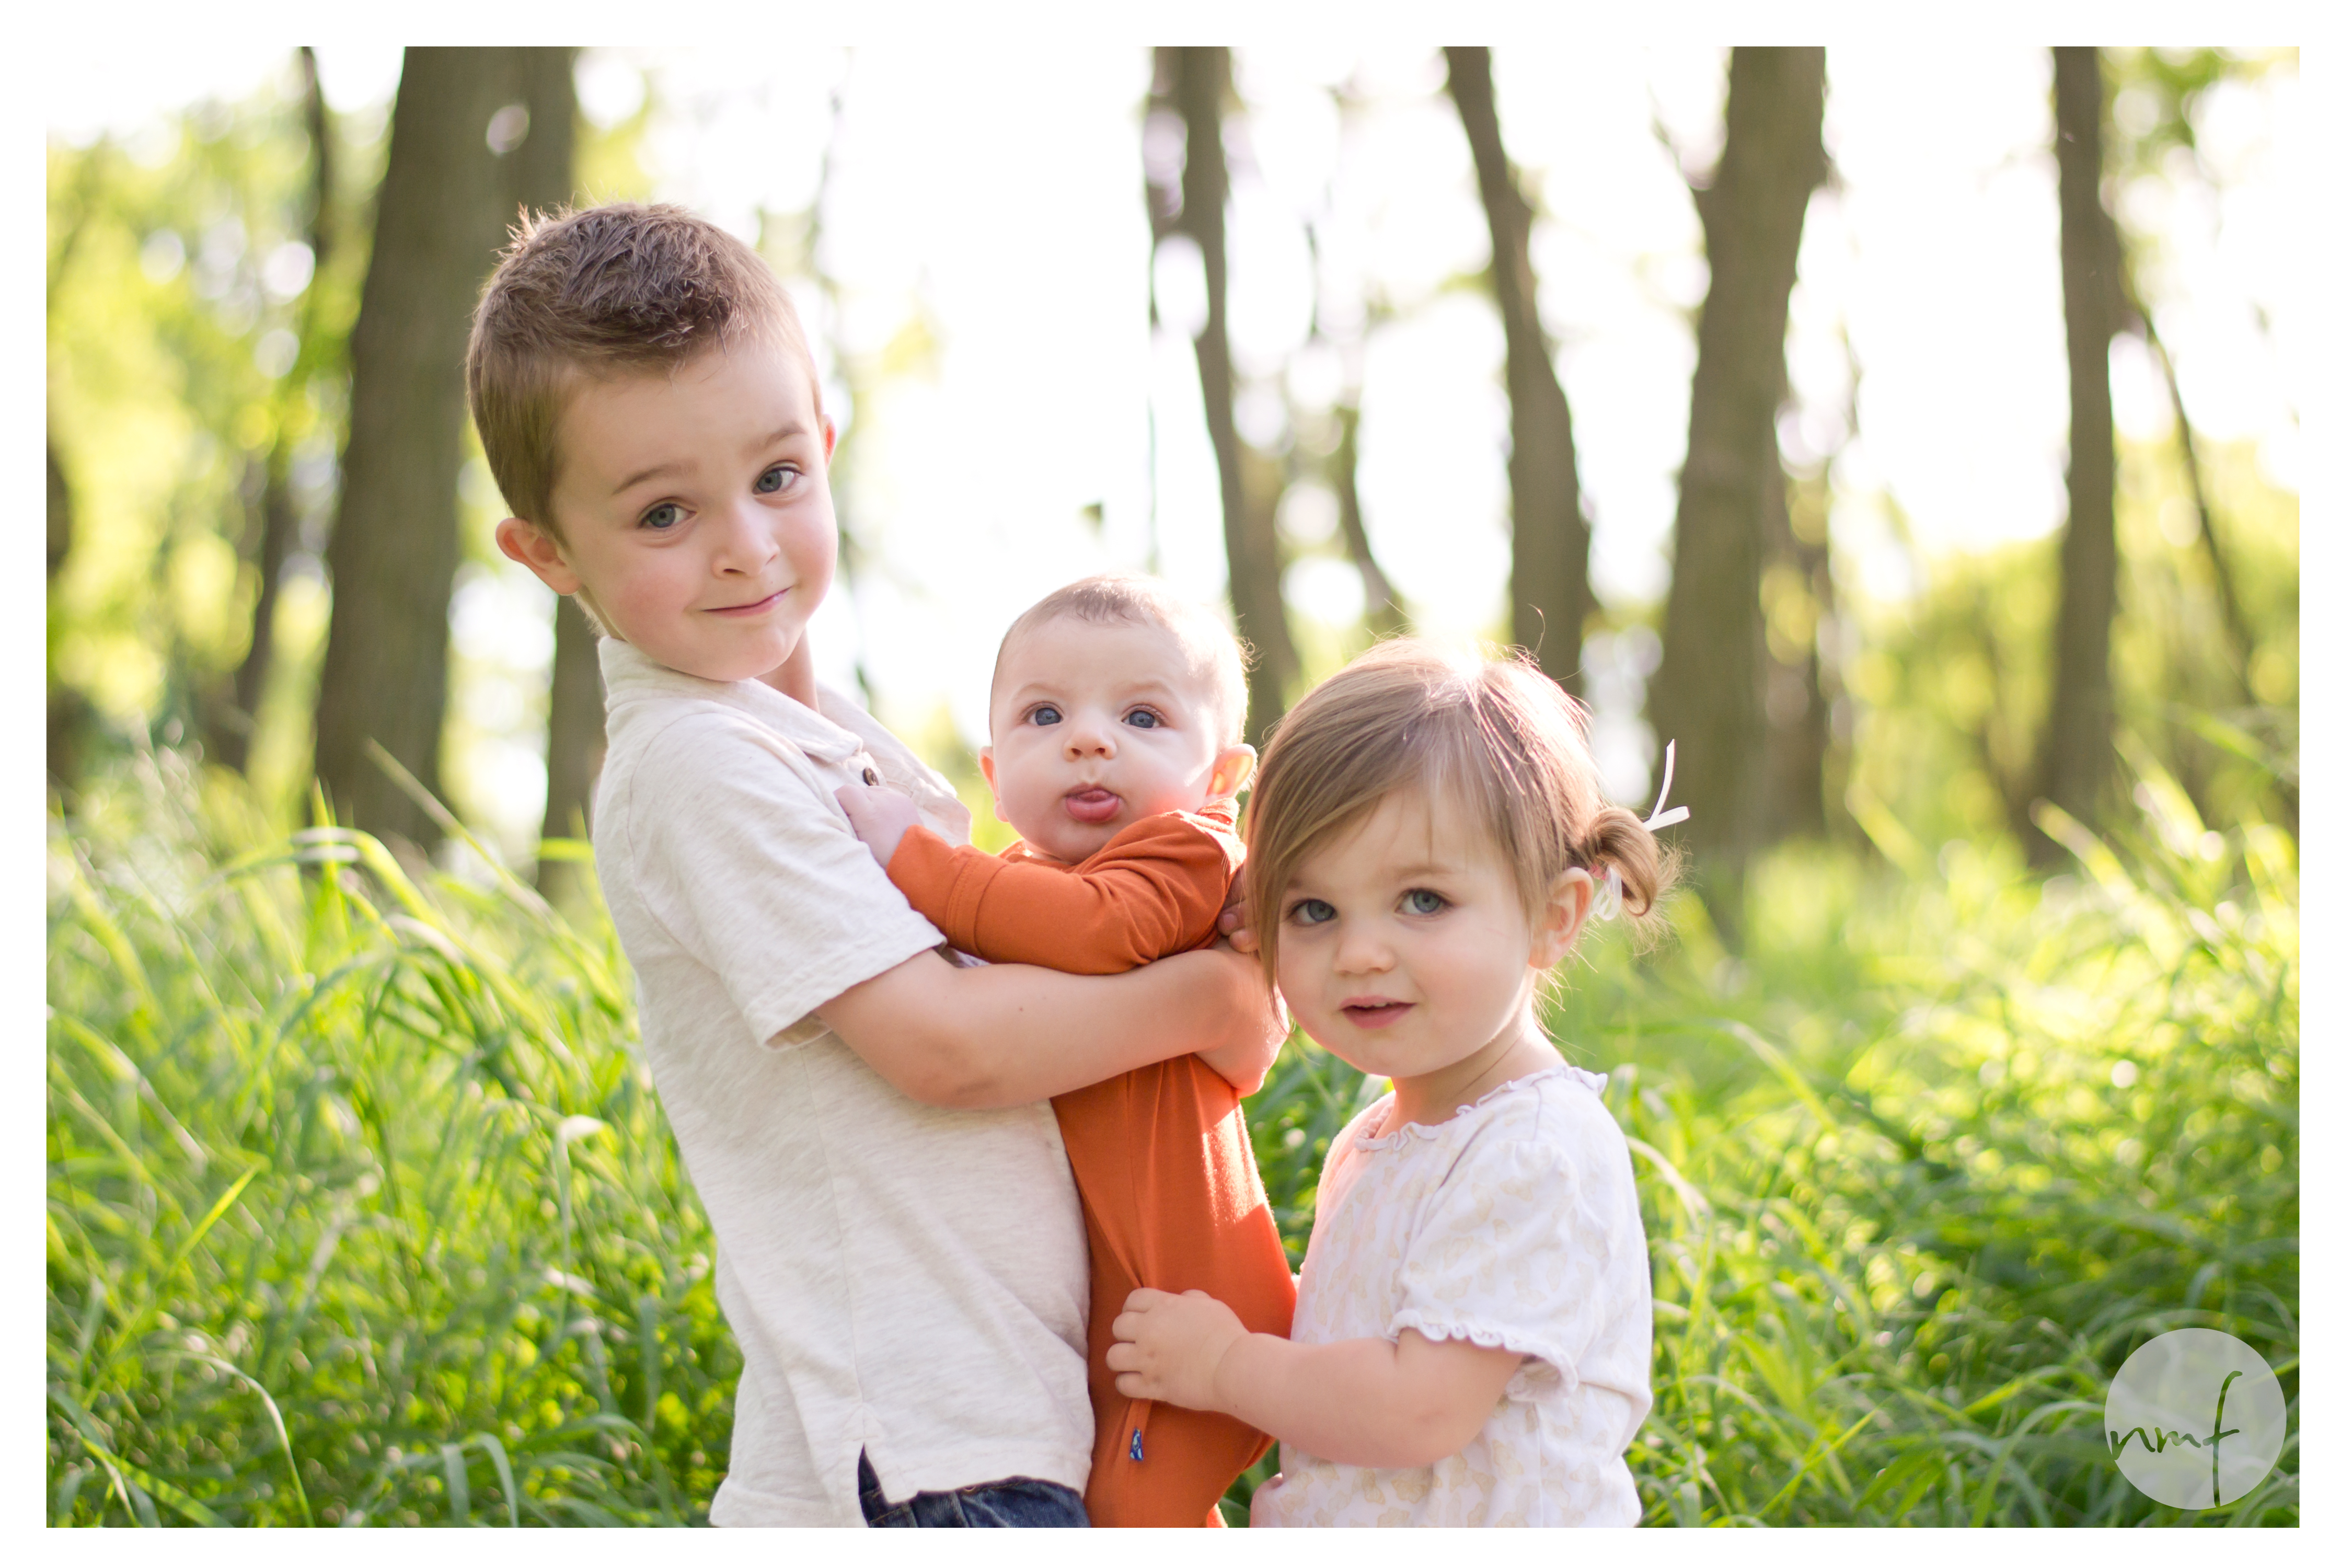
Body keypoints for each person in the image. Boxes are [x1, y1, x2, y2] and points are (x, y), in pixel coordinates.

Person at [469, 203, 1284, 1528]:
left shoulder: (830, 745)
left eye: (777, 478)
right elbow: (945, 1048)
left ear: (826, 446)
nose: (745, 544)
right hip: (926, 1443)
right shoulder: (698, 765)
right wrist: (1203, 998)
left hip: (996, 1416)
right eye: (666, 511)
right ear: (547, 553)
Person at [1107, 639, 1677, 1526]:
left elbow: (1417, 1410)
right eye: (1314, 910)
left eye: (1423, 901)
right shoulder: (1387, 1135)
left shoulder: (1531, 1150)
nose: (1361, 953)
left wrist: (1225, 1365)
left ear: (1553, 916)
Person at [834, 574, 1298, 1527]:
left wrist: (911, 855)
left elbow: (1094, 929)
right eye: (1045, 716)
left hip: (1189, 1304)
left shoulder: (1190, 856)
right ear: (996, 776)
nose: (1089, 740)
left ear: (1221, 779)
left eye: (1142, 716)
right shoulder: (1019, 888)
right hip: (1101, 1302)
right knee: (1125, 1501)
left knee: (1131, 1511)